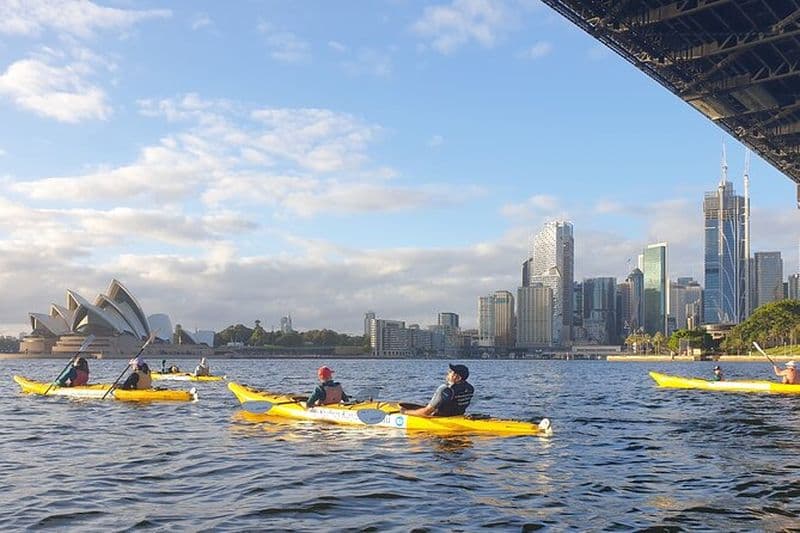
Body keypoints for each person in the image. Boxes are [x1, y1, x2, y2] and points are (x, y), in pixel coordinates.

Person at [401, 364, 474, 417]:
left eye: (450, 372)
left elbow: (426, 413)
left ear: (458, 378)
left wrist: (405, 412)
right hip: (457, 416)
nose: (448, 373)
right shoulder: (470, 388)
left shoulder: (445, 389)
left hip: (440, 419)